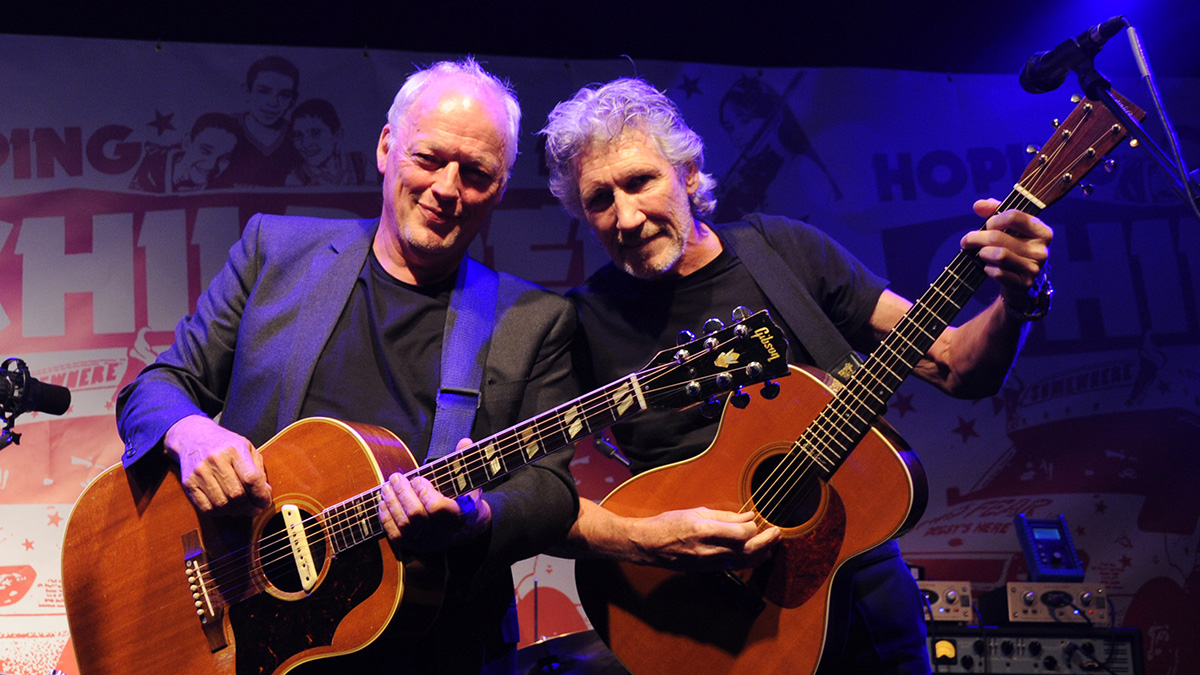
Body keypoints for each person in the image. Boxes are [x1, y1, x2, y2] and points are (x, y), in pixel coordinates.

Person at [540, 78, 1053, 673]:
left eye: (639, 181)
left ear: (686, 173)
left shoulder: (785, 252)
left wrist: (1019, 301)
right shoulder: (579, 320)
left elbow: (957, 366)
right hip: (698, 615)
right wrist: (643, 540)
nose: (625, 217)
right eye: (599, 199)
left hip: (857, 591)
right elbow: (533, 504)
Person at [116, 57, 580, 674]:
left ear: (500, 186)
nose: (447, 188)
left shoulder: (532, 319)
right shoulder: (274, 252)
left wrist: (475, 516)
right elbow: (158, 387)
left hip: (423, 647)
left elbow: (551, 490)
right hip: (240, 620)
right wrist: (190, 432)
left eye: (476, 172)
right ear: (387, 147)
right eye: (429, 158)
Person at [211, 55, 303, 187]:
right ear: (247, 91)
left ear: (293, 101)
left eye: (284, 95)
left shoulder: (300, 138)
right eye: (264, 91)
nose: (273, 102)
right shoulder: (221, 130)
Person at [128, 112, 240, 193]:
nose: (211, 165)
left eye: (224, 158)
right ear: (187, 142)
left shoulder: (228, 192)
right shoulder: (138, 167)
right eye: (205, 151)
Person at [285, 97, 369, 186]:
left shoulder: (360, 163)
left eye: (315, 133)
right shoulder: (296, 178)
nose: (306, 143)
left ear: (337, 135)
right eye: (298, 135)